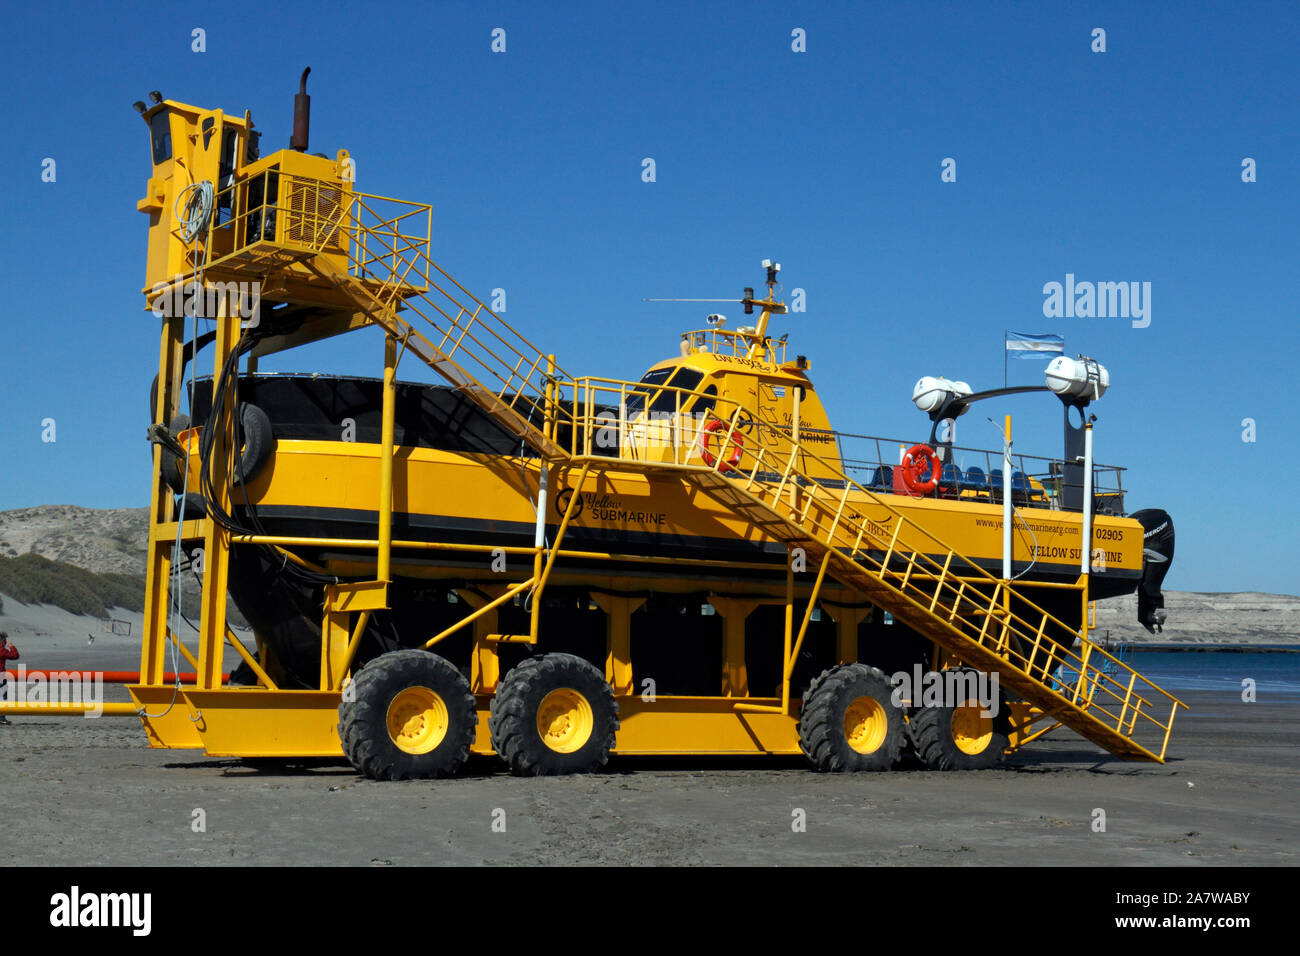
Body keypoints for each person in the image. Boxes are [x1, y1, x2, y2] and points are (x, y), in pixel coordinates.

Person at [0, 631, 18, 724]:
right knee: (3, 698)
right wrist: (11, 646)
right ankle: (1, 718)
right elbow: (15, 655)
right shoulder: (1, 650)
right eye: (4, 640)